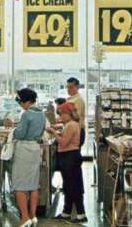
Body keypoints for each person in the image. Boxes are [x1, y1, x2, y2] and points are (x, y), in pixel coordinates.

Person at [46, 102, 87, 224]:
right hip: (71, 157)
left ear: (69, 113)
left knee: (73, 186)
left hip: (70, 157)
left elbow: (63, 142)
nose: (61, 117)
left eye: (62, 114)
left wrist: (53, 133)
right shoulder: (72, 124)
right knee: (69, 186)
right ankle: (66, 212)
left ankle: (81, 214)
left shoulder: (71, 125)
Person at [12, 88, 45, 227]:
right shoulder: (41, 114)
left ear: (26, 101)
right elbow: (42, 131)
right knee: (33, 185)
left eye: (20, 101)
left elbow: (20, 134)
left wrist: (13, 130)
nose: (20, 104)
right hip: (35, 149)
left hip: (24, 149)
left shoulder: (26, 114)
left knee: (19, 185)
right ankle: (33, 215)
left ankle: (24, 217)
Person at [66, 77, 86, 146]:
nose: (68, 89)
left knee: (73, 155)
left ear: (77, 87)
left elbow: (75, 118)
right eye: (67, 87)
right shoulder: (71, 99)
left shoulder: (77, 100)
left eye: (71, 87)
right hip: (73, 131)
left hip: (76, 132)